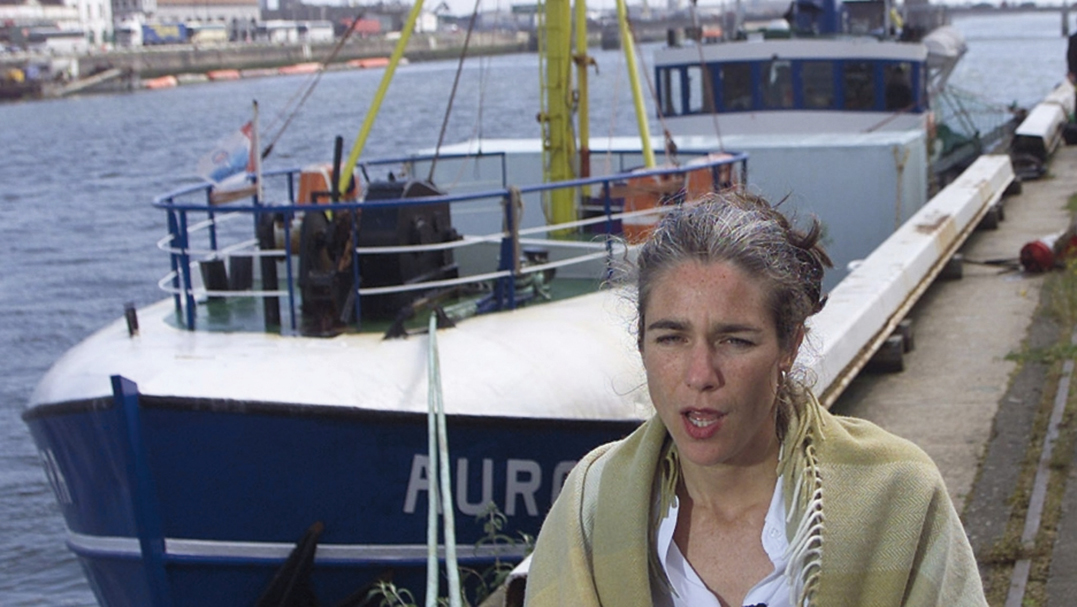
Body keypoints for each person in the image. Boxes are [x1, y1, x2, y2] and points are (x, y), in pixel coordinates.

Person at [524, 193, 987, 607]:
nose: (700, 375)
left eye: (735, 341)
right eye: (671, 338)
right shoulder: (592, 503)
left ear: (790, 345)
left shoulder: (896, 497)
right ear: (641, 342)